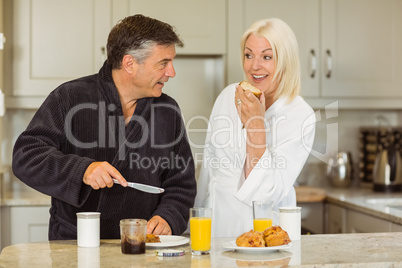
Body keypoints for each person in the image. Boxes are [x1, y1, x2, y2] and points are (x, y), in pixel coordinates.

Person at [12, 14, 196, 240]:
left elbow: (181, 184)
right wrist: (83, 170)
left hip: (142, 248)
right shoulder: (70, 98)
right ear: (130, 63)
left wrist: (168, 217)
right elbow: (26, 156)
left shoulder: (168, 110)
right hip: (75, 246)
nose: (172, 72)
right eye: (163, 63)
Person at [194, 18, 316, 237]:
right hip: (217, 227)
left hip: (266, 231)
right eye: (248, 55)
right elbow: (209, 170)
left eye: (267, 57)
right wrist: (194, 224)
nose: (254, 66)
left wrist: (255, 125)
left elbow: (266, 192)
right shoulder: (227, 96)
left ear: (285, 62)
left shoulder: (300, 115)